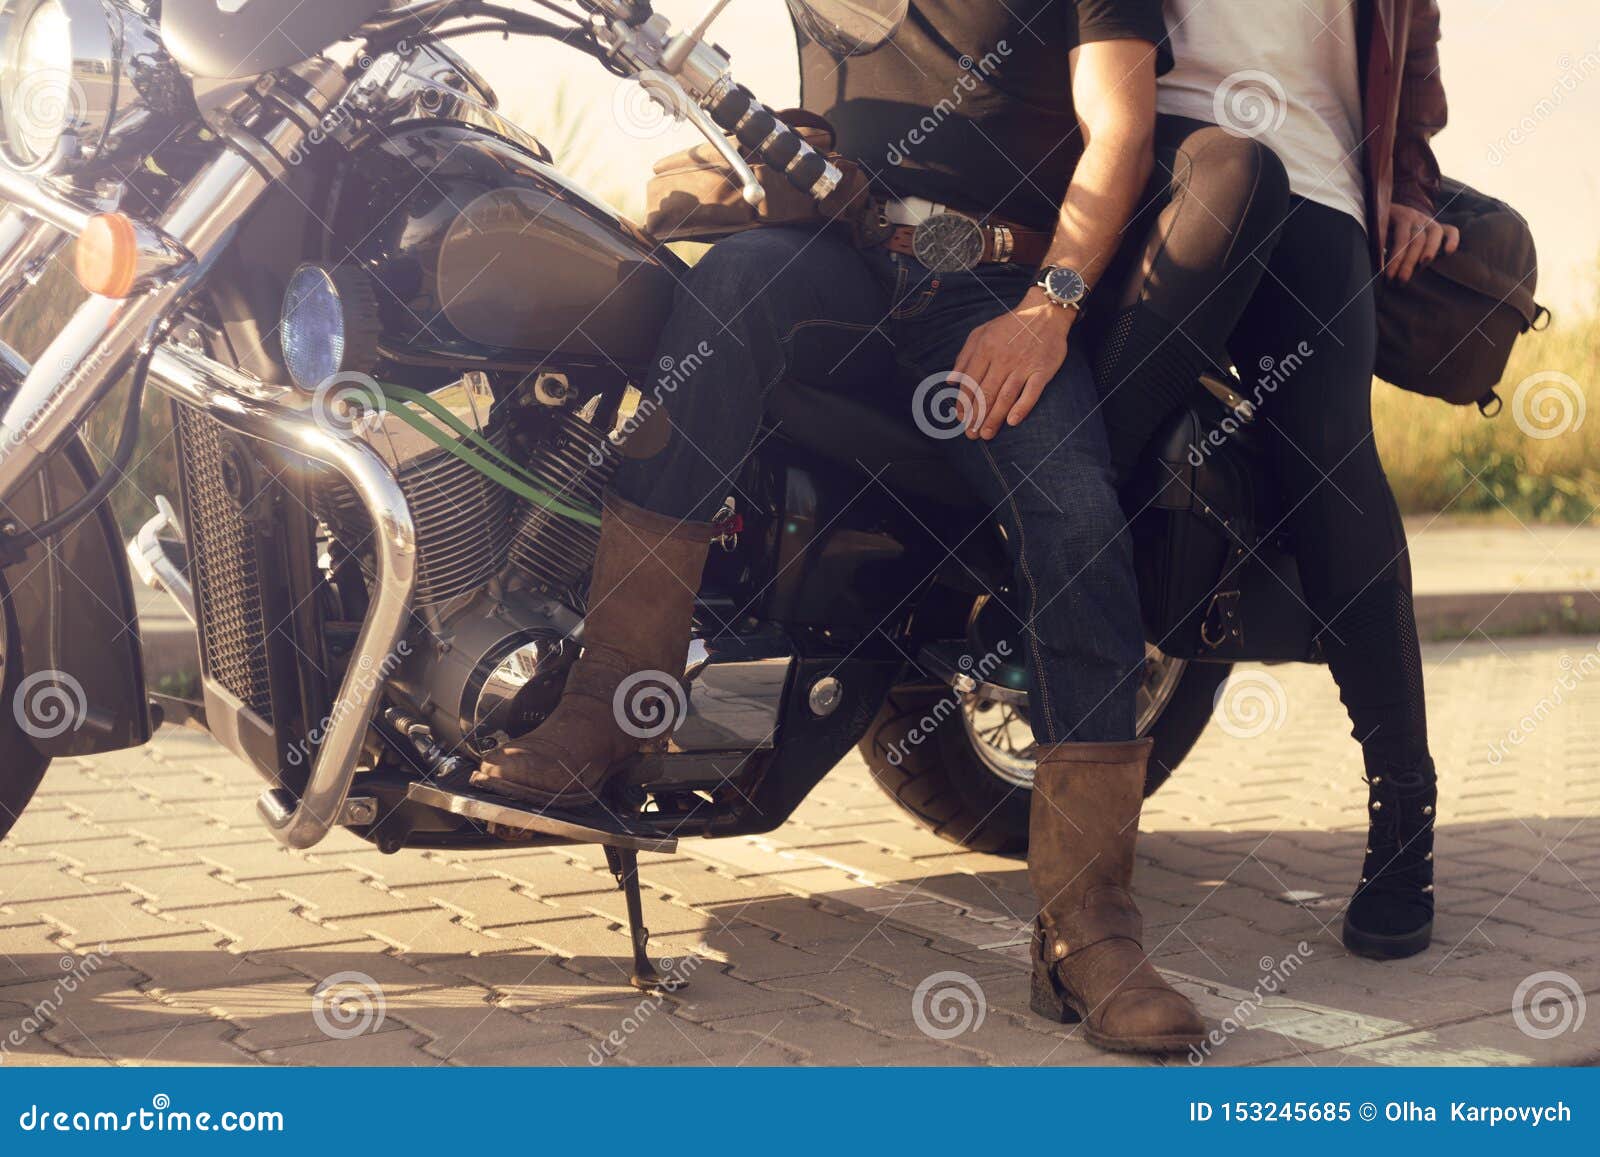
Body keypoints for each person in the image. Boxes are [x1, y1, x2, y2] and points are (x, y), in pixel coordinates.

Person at [474, 1, 1209, 1052]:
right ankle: (609, 709)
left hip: (995, 282)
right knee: (719, 292)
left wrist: (1046, 310)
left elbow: (1120, 132)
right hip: (844, 252)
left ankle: (1090, 923)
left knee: (1072, 506)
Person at [1089, 0, 1450, 960]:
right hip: (1161, 159)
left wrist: (1411, 179)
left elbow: (1412, 36)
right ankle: (1042, 671)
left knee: (1329, 463)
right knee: (1097, 431)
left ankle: (1404, 805)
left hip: (1318, 180)